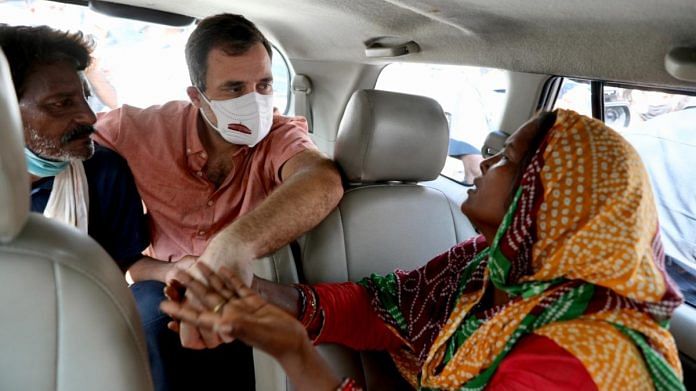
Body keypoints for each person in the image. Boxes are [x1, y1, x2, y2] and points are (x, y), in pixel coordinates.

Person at [161, 109, 685, 390]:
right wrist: (246, 292)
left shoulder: (575, 360)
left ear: (544, 198)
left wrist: (295, 355)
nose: (483, 163)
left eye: (506, 159)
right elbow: (380, 306)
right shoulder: (486, 268)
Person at [93, 13, 343, 391]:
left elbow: (321, 180)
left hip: (245, 288)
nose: (254, 101)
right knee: (152, 321)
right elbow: (72, 147)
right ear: (197, 97)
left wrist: (233, 246)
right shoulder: (141, 130)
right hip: (165, 283)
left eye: (264, 85)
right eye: (234, 88)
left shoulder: (279, 136)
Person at [0, 24, 149, 272]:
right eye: (62, 103)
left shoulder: (104, 172)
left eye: (86, 97)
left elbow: (123, 264)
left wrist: (175, 270)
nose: (90, 117)